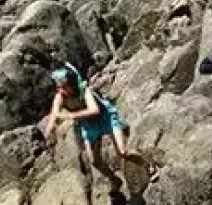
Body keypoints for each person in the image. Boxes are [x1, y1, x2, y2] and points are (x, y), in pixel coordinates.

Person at [42, 64, 147, 194]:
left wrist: (71, 115)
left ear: (73, 84)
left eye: (64, 87)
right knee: (95, 161)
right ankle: (114, 180)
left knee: (122, 152)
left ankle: (148, 165)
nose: (61, 90)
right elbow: (54, 115)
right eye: (59, 87)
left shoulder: (84, 91)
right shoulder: (60, 97)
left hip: (106, 117)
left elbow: (94, 110)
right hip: (89, 125)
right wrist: (50, 129)